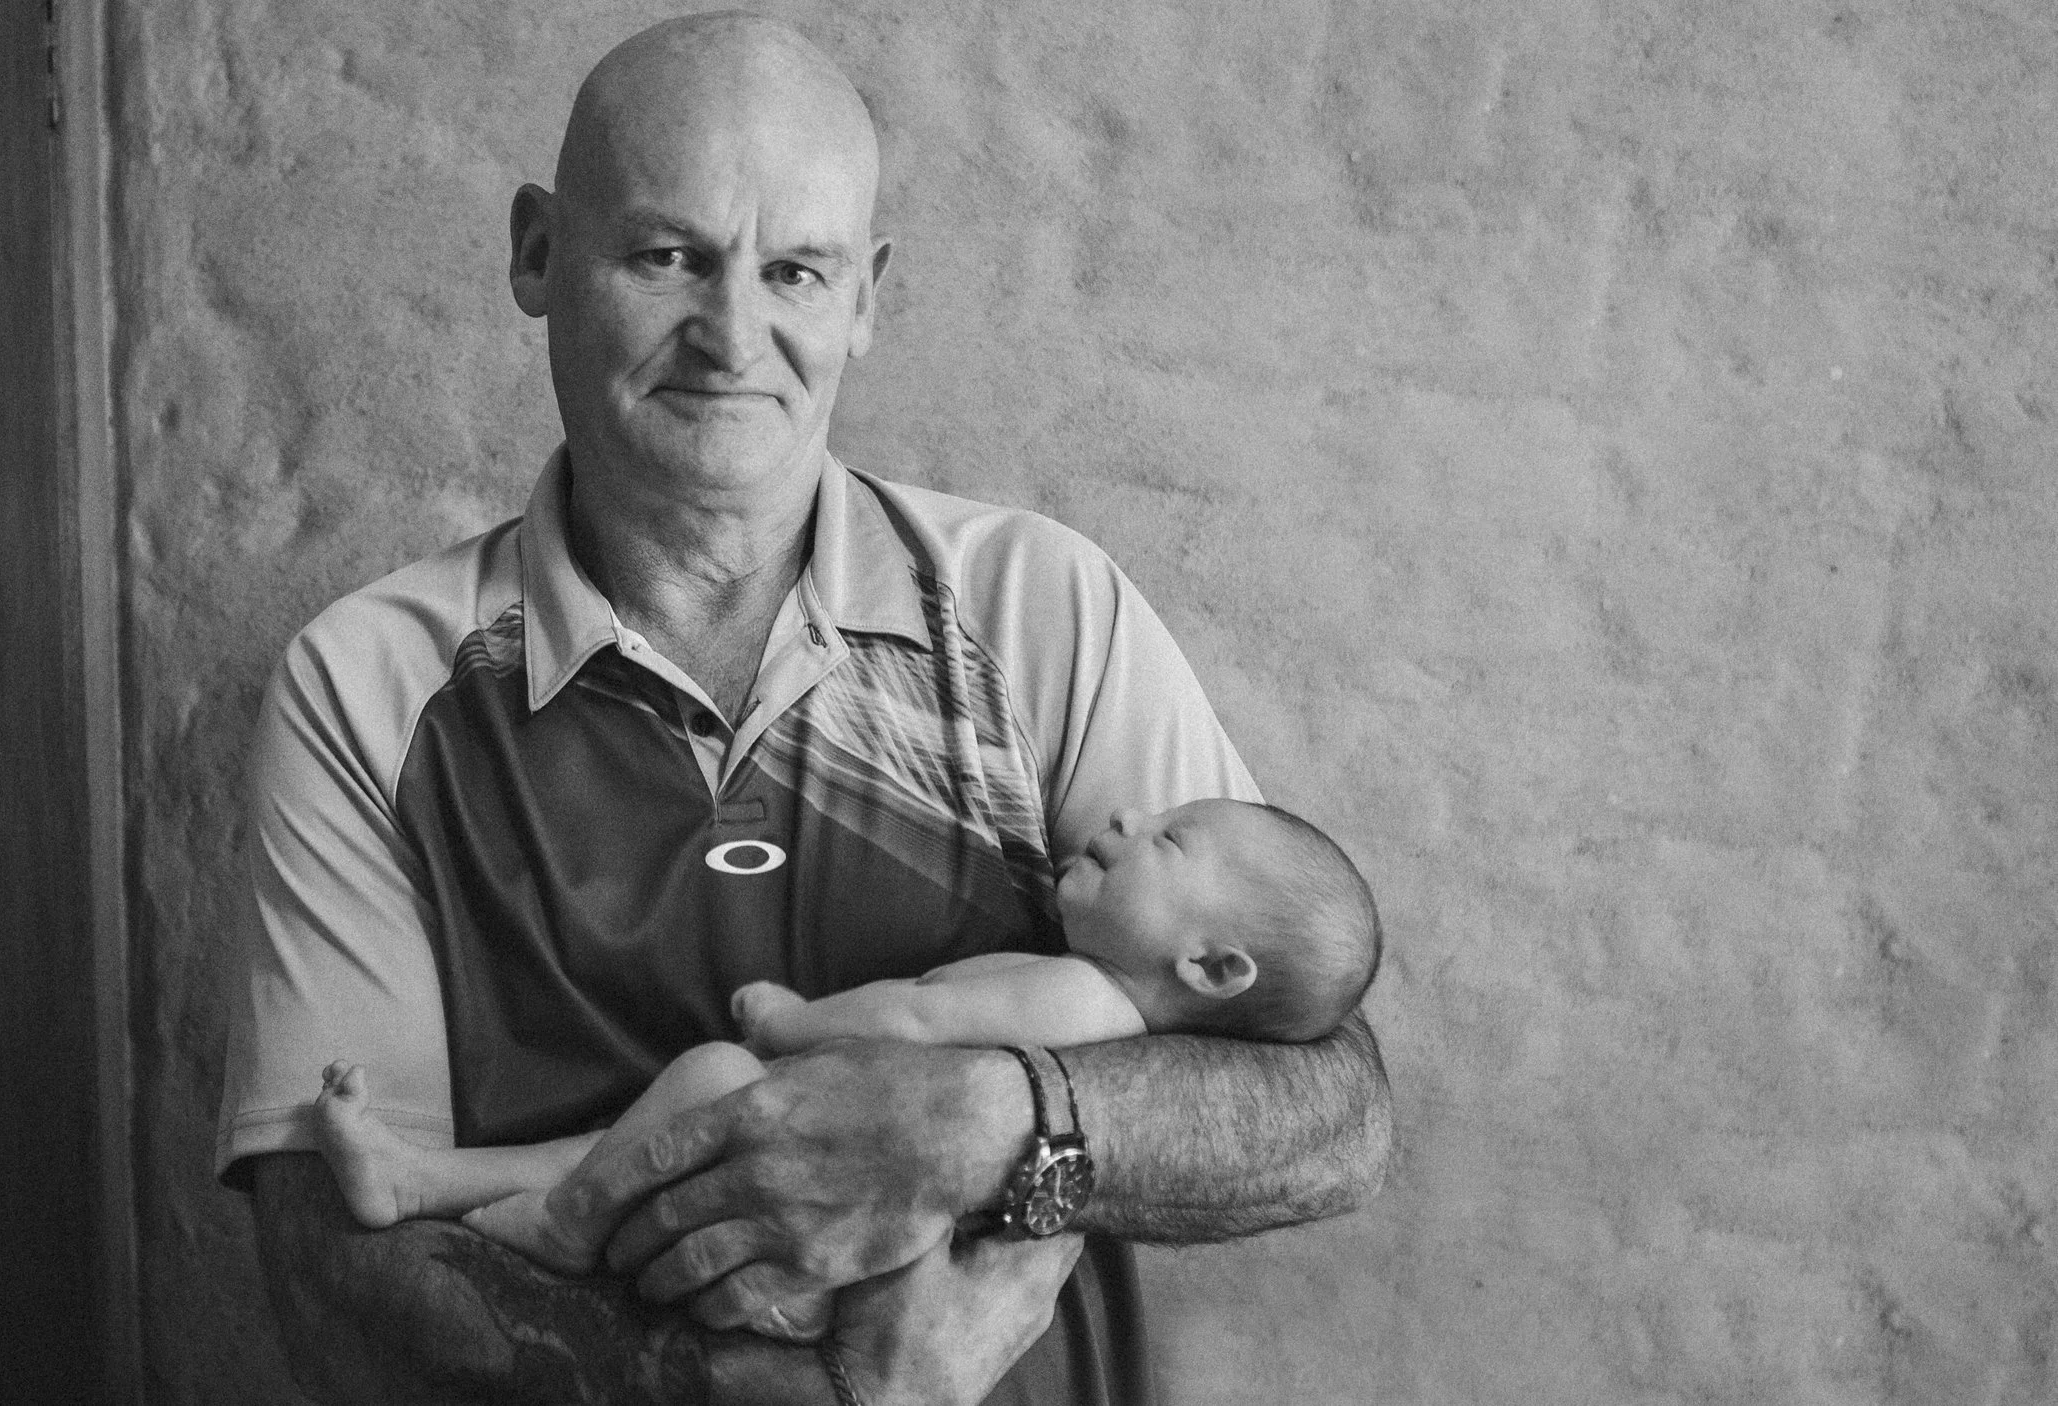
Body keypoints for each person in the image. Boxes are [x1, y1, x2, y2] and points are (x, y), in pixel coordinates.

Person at [219, 13, 1394, 1405]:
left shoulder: (1038, 611)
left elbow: (1329, 1110)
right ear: (537, 251)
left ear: (869, 295)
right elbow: (333, 1266)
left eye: (796, 270)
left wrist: (994, 1120)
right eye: (668, 256)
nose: (734, 335)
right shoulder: (365, 690)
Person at [309, 796, 1381, 1343]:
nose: (1123, 815)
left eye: (1170, 839)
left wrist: (793, 1017)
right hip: (838, 1252)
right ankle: (426, 1180)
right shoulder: (1093, 985)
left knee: (712, 1073)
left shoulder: (1080, 1000)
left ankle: (553, 1217)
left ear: (1211, 964)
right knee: (650, 1123)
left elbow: (918, 1016)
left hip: (847, 1252)